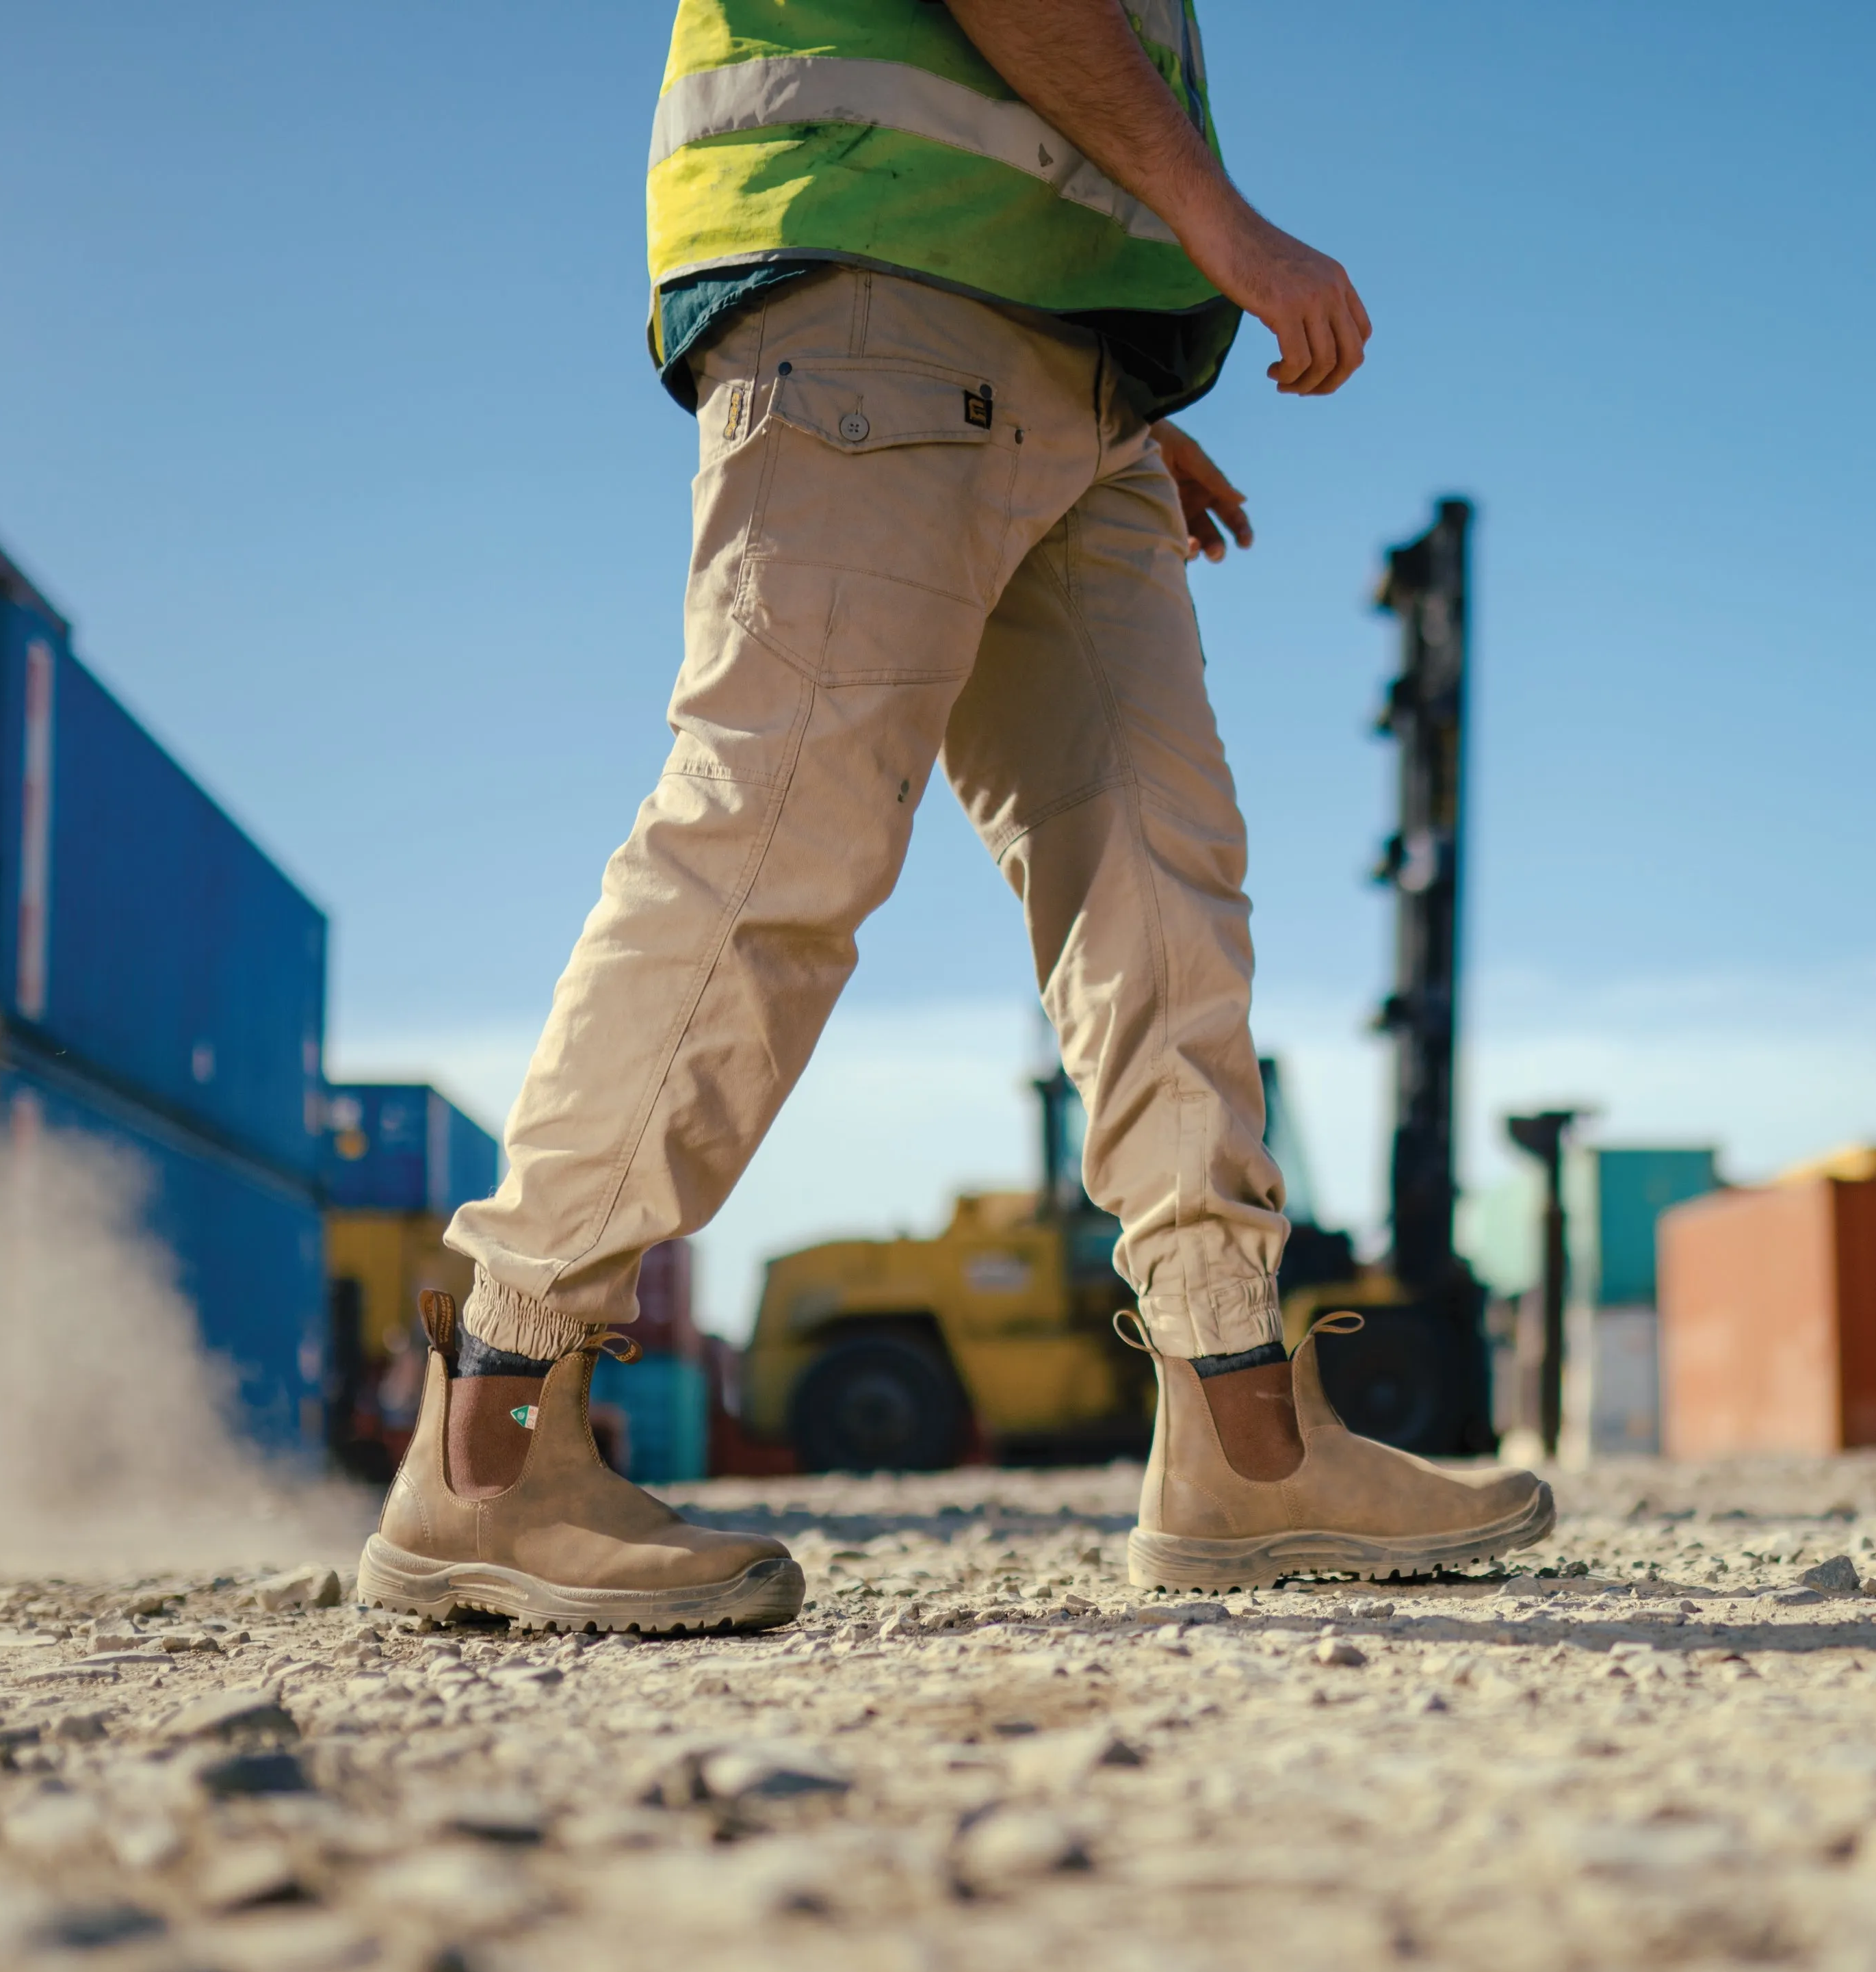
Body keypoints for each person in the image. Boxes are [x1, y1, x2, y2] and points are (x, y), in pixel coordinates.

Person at [356, 0, 1556, 1634]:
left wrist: (1108, 378)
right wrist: (1226, 233)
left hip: (1072, 385)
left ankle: (1243, 1443)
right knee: (770, 850)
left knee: (1159, 886)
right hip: (873, 310)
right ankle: (491, 1453)